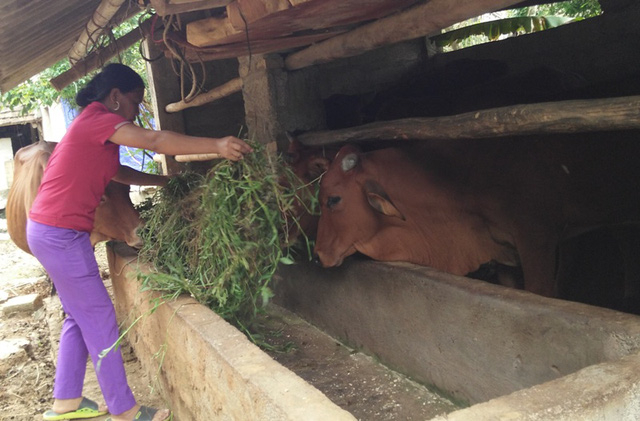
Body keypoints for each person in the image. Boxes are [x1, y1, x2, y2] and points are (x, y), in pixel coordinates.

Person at [27, 63, 253, 421]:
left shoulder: (91, 124)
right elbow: (154, 140)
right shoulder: (99, 118)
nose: (137, 111)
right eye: (135, 102)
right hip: (61, 235)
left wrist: (163, 182)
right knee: (100, 316)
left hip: (49, 230)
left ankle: (65, 402)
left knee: (77, 315)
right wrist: (217, 145)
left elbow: (115, 171)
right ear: (115, 97)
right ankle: (125, 410)